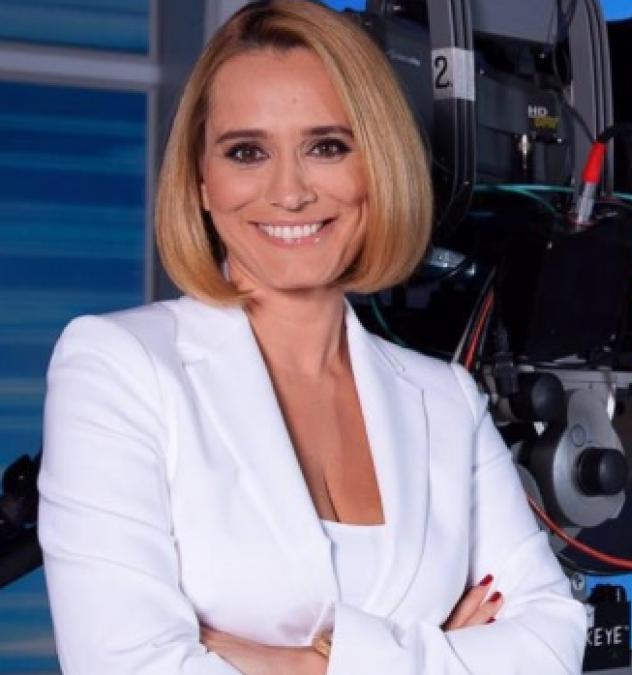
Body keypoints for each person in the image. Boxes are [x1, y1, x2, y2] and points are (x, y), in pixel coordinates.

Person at [36, 1, 587, 672]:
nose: (289, 192)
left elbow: (551, 643)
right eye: (247, 152)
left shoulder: (446, 399)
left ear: (376, 165)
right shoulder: (118, 367)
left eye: (327, 146)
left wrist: (313, 662)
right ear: (202, 181)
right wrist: (440, 650)